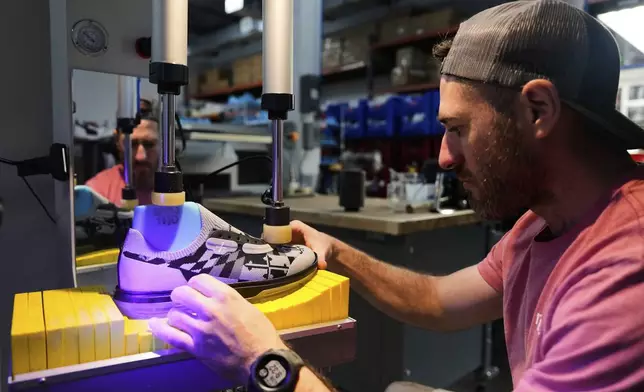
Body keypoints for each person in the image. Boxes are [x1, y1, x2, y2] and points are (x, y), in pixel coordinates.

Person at [148, 1, 644, 391]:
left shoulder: (625, 273)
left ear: (537, 109)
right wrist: (337, 252)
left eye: (459, 128)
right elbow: (440, 301)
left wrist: (262, 361)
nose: (445, 157)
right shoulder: (545, 221)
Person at [85, 107, 159, 206]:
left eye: (149, 144)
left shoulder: (179, 191)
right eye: (131, 144)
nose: (141, 156)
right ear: (117, 142)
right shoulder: (97, 192)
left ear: (164, 144)